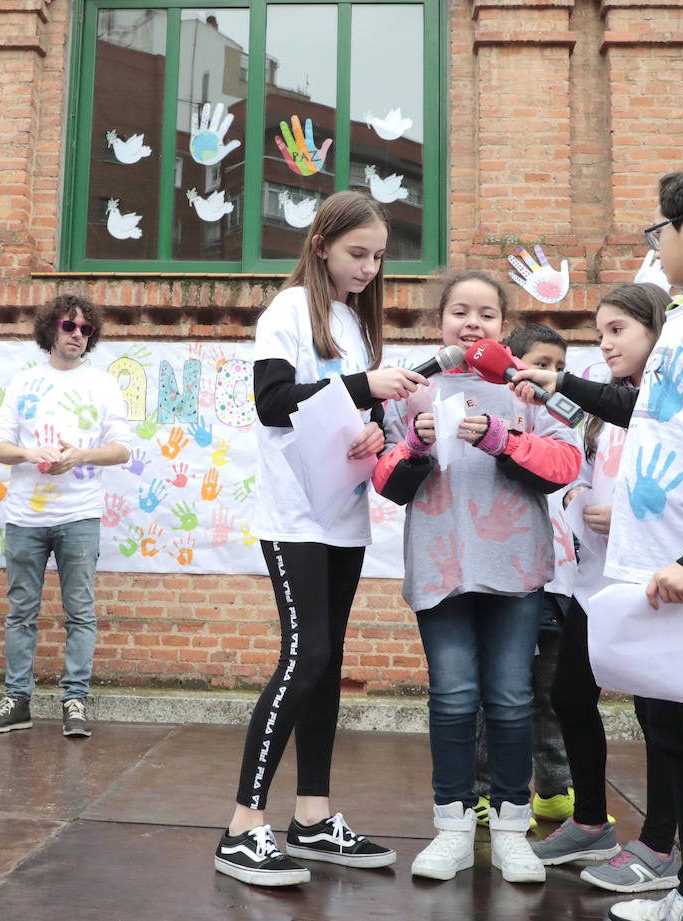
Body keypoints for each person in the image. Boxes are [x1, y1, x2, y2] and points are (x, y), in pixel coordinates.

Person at [512, 156, 683, 921]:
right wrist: (559, 384)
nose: (656, 242)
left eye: (659, 227)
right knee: (678, 739)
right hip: (655, 571)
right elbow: (648, 414)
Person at [214, 191, 426, 887]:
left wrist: (368, 424)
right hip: (295, 517)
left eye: (377, 257)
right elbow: (273, 403)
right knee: (306, 657)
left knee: (327, 663)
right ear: (321, 244)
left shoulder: (354, 322)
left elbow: (338, 413)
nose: (368, 268)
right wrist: (363, 384)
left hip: (343, 512)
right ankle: (244, 824)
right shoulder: (287, 312)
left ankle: (311, 816)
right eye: (356, 253)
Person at [373, 271, 581, 884]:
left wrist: (503, 438)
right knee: (453, 698)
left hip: (515, 569)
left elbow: (567, 461)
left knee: (513, 699)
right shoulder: (410, 390)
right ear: (439, 321)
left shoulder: (527, 387)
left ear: (503, 324)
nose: (472, 323)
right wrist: (411, 444)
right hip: (441, 568)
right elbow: (386, 481)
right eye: (459, 311)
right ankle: (453, 830)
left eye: (486, 314)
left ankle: (513, 830)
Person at [525, 284, 681, 894]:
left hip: (649, 576)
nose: (605, 342)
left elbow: (682, 485)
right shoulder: (605, 403)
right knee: (569, 693)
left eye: (618, 329)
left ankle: (661, 845)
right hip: (596, 579)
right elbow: (580, 465)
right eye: (601, 331)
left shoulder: (668, 402)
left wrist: (631, 517)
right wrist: (575, 496)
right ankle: (591, 821)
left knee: (657, 711)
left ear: (655, 330)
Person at [0, 294, 132, 738]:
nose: (77, 336)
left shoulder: (102, 385)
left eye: (86, 330)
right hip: (25, 517)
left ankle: (75, 701)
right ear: (51, 329)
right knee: (21, 611)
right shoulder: (24, 382)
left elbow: (122, 449)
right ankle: (17, 700)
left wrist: (81, 455)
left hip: (79, 515)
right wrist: (30, 452)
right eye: (69, 326)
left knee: (80, 612)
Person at [472, 323, 577, 828]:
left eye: (558, 367)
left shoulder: (564, 419)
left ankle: (555, 791)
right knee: (500, 693)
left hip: (559, 582)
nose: (548, 375)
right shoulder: (494, 417)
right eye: (540, 362)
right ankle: (482, 794)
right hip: (512, 576)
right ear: (510, 362)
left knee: (550, 695)